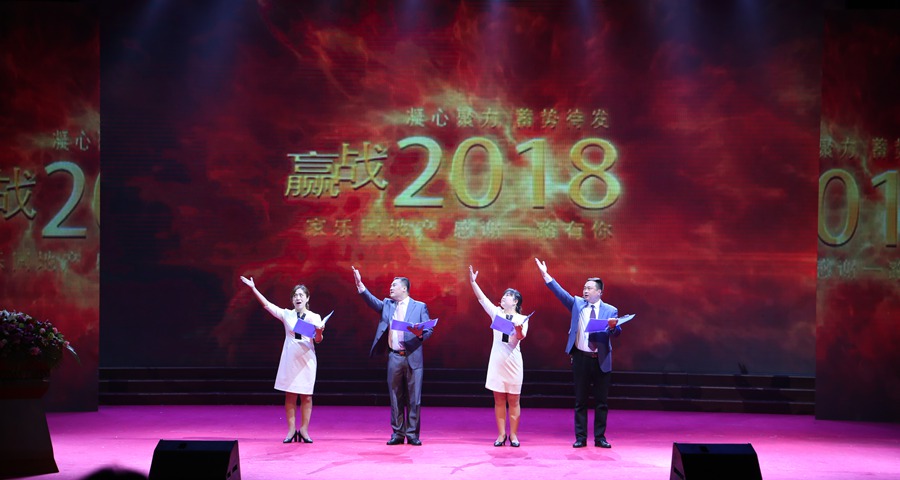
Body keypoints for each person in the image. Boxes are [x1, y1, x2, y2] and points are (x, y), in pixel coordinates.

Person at [534, 258, 621, 449]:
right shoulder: (577, 304)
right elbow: (560, 293)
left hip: (601, 359)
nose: (585, 290)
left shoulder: (610, 310)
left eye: (589, 288)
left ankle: (600, 438)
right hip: (581, 358)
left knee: (601, 402)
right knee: (580, 400)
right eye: (584, 287)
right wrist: (545, 274)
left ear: (599, 292)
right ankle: (581, 437)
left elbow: (616, 333)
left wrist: (613, 327)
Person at [352, 266, 433, 446]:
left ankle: (412, 434)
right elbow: (372, 301)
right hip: (394, 356)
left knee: (414, 398)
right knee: (395, 396)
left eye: (394, 285)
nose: (391, 287)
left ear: (404, 288)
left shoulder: (419, 306)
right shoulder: (388, 305)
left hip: (413, 356)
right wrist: (360, 285)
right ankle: (398, 433)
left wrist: (420, 333)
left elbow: (429, 329)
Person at [240, 276, 325, 443]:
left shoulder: (314, 317)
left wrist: (320, 331)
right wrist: (253, 288)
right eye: (295, 295)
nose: (298, 298)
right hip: (290, 359)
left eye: (301, 295)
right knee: (290, 395)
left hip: (307, 360)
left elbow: (318, 340)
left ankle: (304, 430)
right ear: (292, 300)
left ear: (307, 298)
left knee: (307, 396)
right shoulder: (287, 314)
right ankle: (291, 430)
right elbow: (267, 305)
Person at [468, 265, 528, 448]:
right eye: (503, 295)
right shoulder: (496, 313)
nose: (503, 297)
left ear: (515, 301)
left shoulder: (522, 318)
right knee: (499, 399)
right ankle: (501, 435)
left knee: (514, 400)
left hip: (513, 362)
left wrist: (518, 330)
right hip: (497, 362)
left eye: (507, 295)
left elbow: (519, 339)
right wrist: (473, 282)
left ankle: (514, 435)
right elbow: (482, 299)